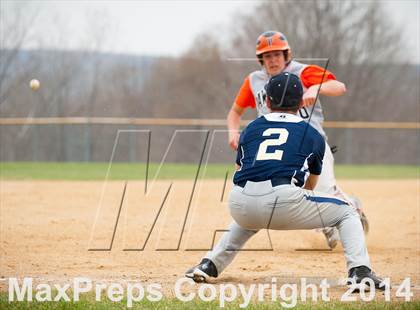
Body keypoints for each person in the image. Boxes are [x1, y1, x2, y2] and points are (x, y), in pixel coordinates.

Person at [185, 72, 384, 291]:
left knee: (249, 216)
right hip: (284, 200)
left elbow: (240, 170)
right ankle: (360, 271)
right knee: (347, 211)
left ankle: (209, 263)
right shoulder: (311, 132)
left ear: (267, 101)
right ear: (301, 103)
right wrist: (296, 205)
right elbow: (311, 184)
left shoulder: (250, 128)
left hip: (238, 202)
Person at [226, 30, 368, 248]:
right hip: (279, 149)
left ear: (286, 55)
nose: (272, 60)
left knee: (321, 190)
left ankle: (352, 209)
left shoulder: (302, 72)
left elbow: (339, 87)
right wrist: (233, 131)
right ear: (260, 59)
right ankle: (328, 225)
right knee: (290, 194)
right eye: (267, 56)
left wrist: (315, 87)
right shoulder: (254, 81)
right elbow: (234, 112)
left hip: (311, 144)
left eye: (276, 55)